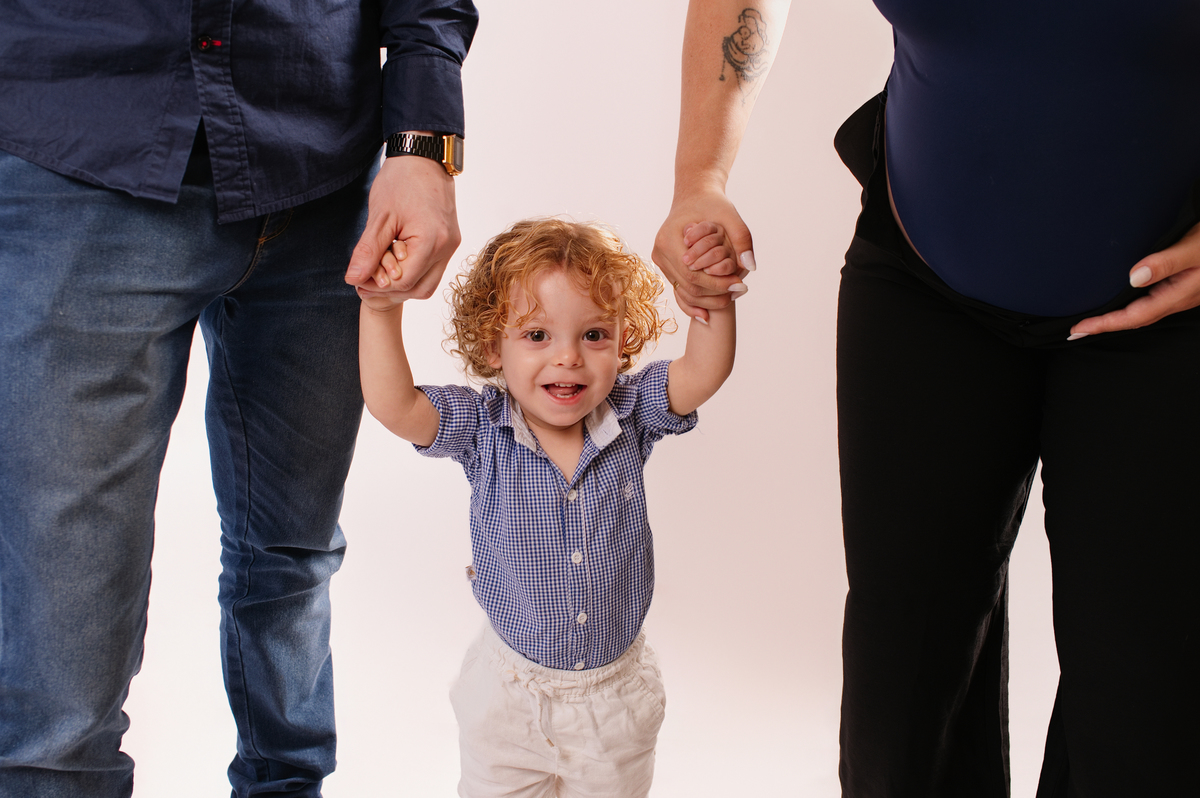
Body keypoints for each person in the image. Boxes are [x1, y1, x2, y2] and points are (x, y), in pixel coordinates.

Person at [652, 2, 1200, 796]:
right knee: (904, 698)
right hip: (921, 275)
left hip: (1168, 309)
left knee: (1143, 711)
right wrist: (699, 179)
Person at [0, 2, 477, 796]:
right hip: (75, 160)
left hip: (322, 172)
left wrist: (424, 142)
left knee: (292, 559)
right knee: (61, 656)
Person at [357, 217, 737, 797]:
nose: (568, 358)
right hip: (509, 690)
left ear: (623, 340)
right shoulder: (483, 429)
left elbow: (703, 372)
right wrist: (381, 309)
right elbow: (394, 403)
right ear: (493, 345)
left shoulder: (631, 414)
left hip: (613, 699)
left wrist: (712, 298)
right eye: (536, 336)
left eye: (593, 335)